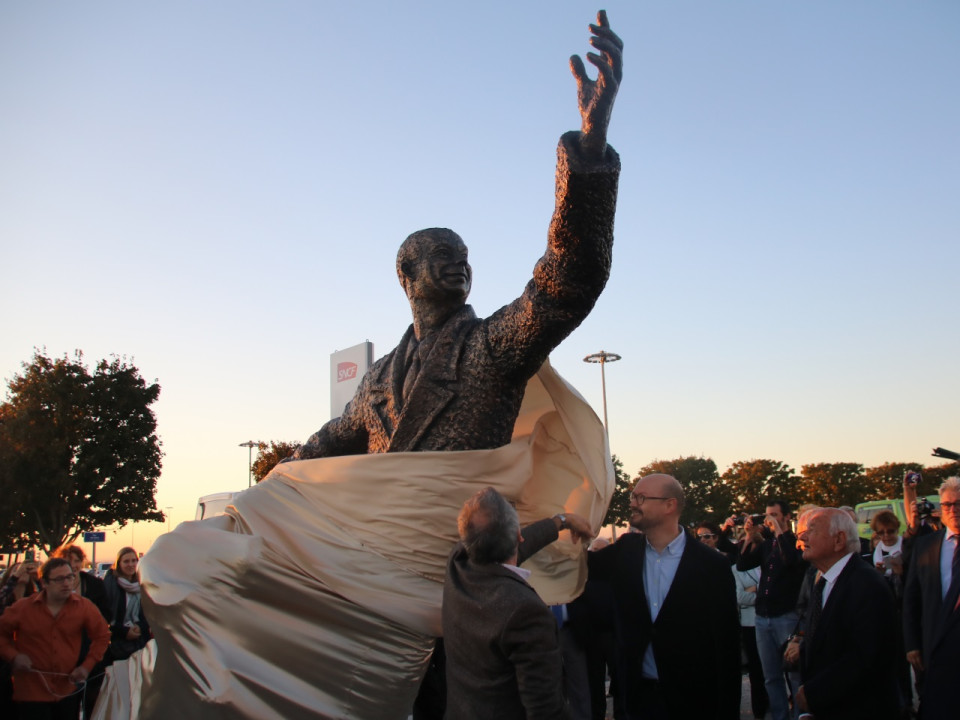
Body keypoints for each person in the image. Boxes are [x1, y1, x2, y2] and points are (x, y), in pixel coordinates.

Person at [291, 12, 622, 461]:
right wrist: (275, 479)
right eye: (444, 254)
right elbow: (327, 442)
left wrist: (592, 140)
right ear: (405, 274)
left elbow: (568, 280)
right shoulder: (376, 381)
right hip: (377, 532)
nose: (461, 264)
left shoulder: (491, 347)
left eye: (465, 256)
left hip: (462, 530)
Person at [587, 474, 741, 720]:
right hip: (638, 699)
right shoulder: (626, 551)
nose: (633, 503)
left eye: (641, 497)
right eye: (632, 496)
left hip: (693, 700)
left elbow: (726, 644)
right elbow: (579, 567)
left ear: (670, 505)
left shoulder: (711, 565)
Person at [442, 487, 592, 720]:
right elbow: (545, 709)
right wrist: (562, 519)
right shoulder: (526, 611)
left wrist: (562, 521)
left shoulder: (458, 565)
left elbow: (515, 544)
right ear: (517, 536)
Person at [794, 508, 899, 720]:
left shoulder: (867, 585)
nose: (802, 536)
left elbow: (864, 658)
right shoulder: (825, 581)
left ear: (839, 540)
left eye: (811, 530)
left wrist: (815, 694)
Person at [0, 557, 110, 720]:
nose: (66, 583)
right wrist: (13, 656)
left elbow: (102, 636)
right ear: (44, 583)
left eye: (70, 577)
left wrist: (86, 666)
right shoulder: (23, 608)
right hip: (31, 692)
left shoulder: (84, 607)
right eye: (59, 579)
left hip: (66, 690)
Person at [737, 499, 807, 720]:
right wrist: (749, 536)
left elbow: (790, 562)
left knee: (794, 674)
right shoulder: (767, 545)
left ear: (787, 517)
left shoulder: (796, 542)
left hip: (786, 616)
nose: (770, 519)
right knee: (771, 676)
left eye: (775, 515)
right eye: (768, 515)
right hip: (762, 618)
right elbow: (743, 564)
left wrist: (778, 530)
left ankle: (799, 715)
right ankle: (779, 715)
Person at [902, 476, 960, 720]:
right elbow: (911, 598)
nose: (953, 509)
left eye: (958, 503)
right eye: (947, 504)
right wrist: (912, 643)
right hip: (933, 655)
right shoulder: (926, 546)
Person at [103, 547, 150, 663]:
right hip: (116, 644)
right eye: (126, 561)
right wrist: (124, 632)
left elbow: (149, 614)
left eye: (134, 561)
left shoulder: (143, 584)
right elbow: (104, 617)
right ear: (119, 564)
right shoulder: (110, 584)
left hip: (139, 643)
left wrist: (140, 627)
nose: (131, 564)